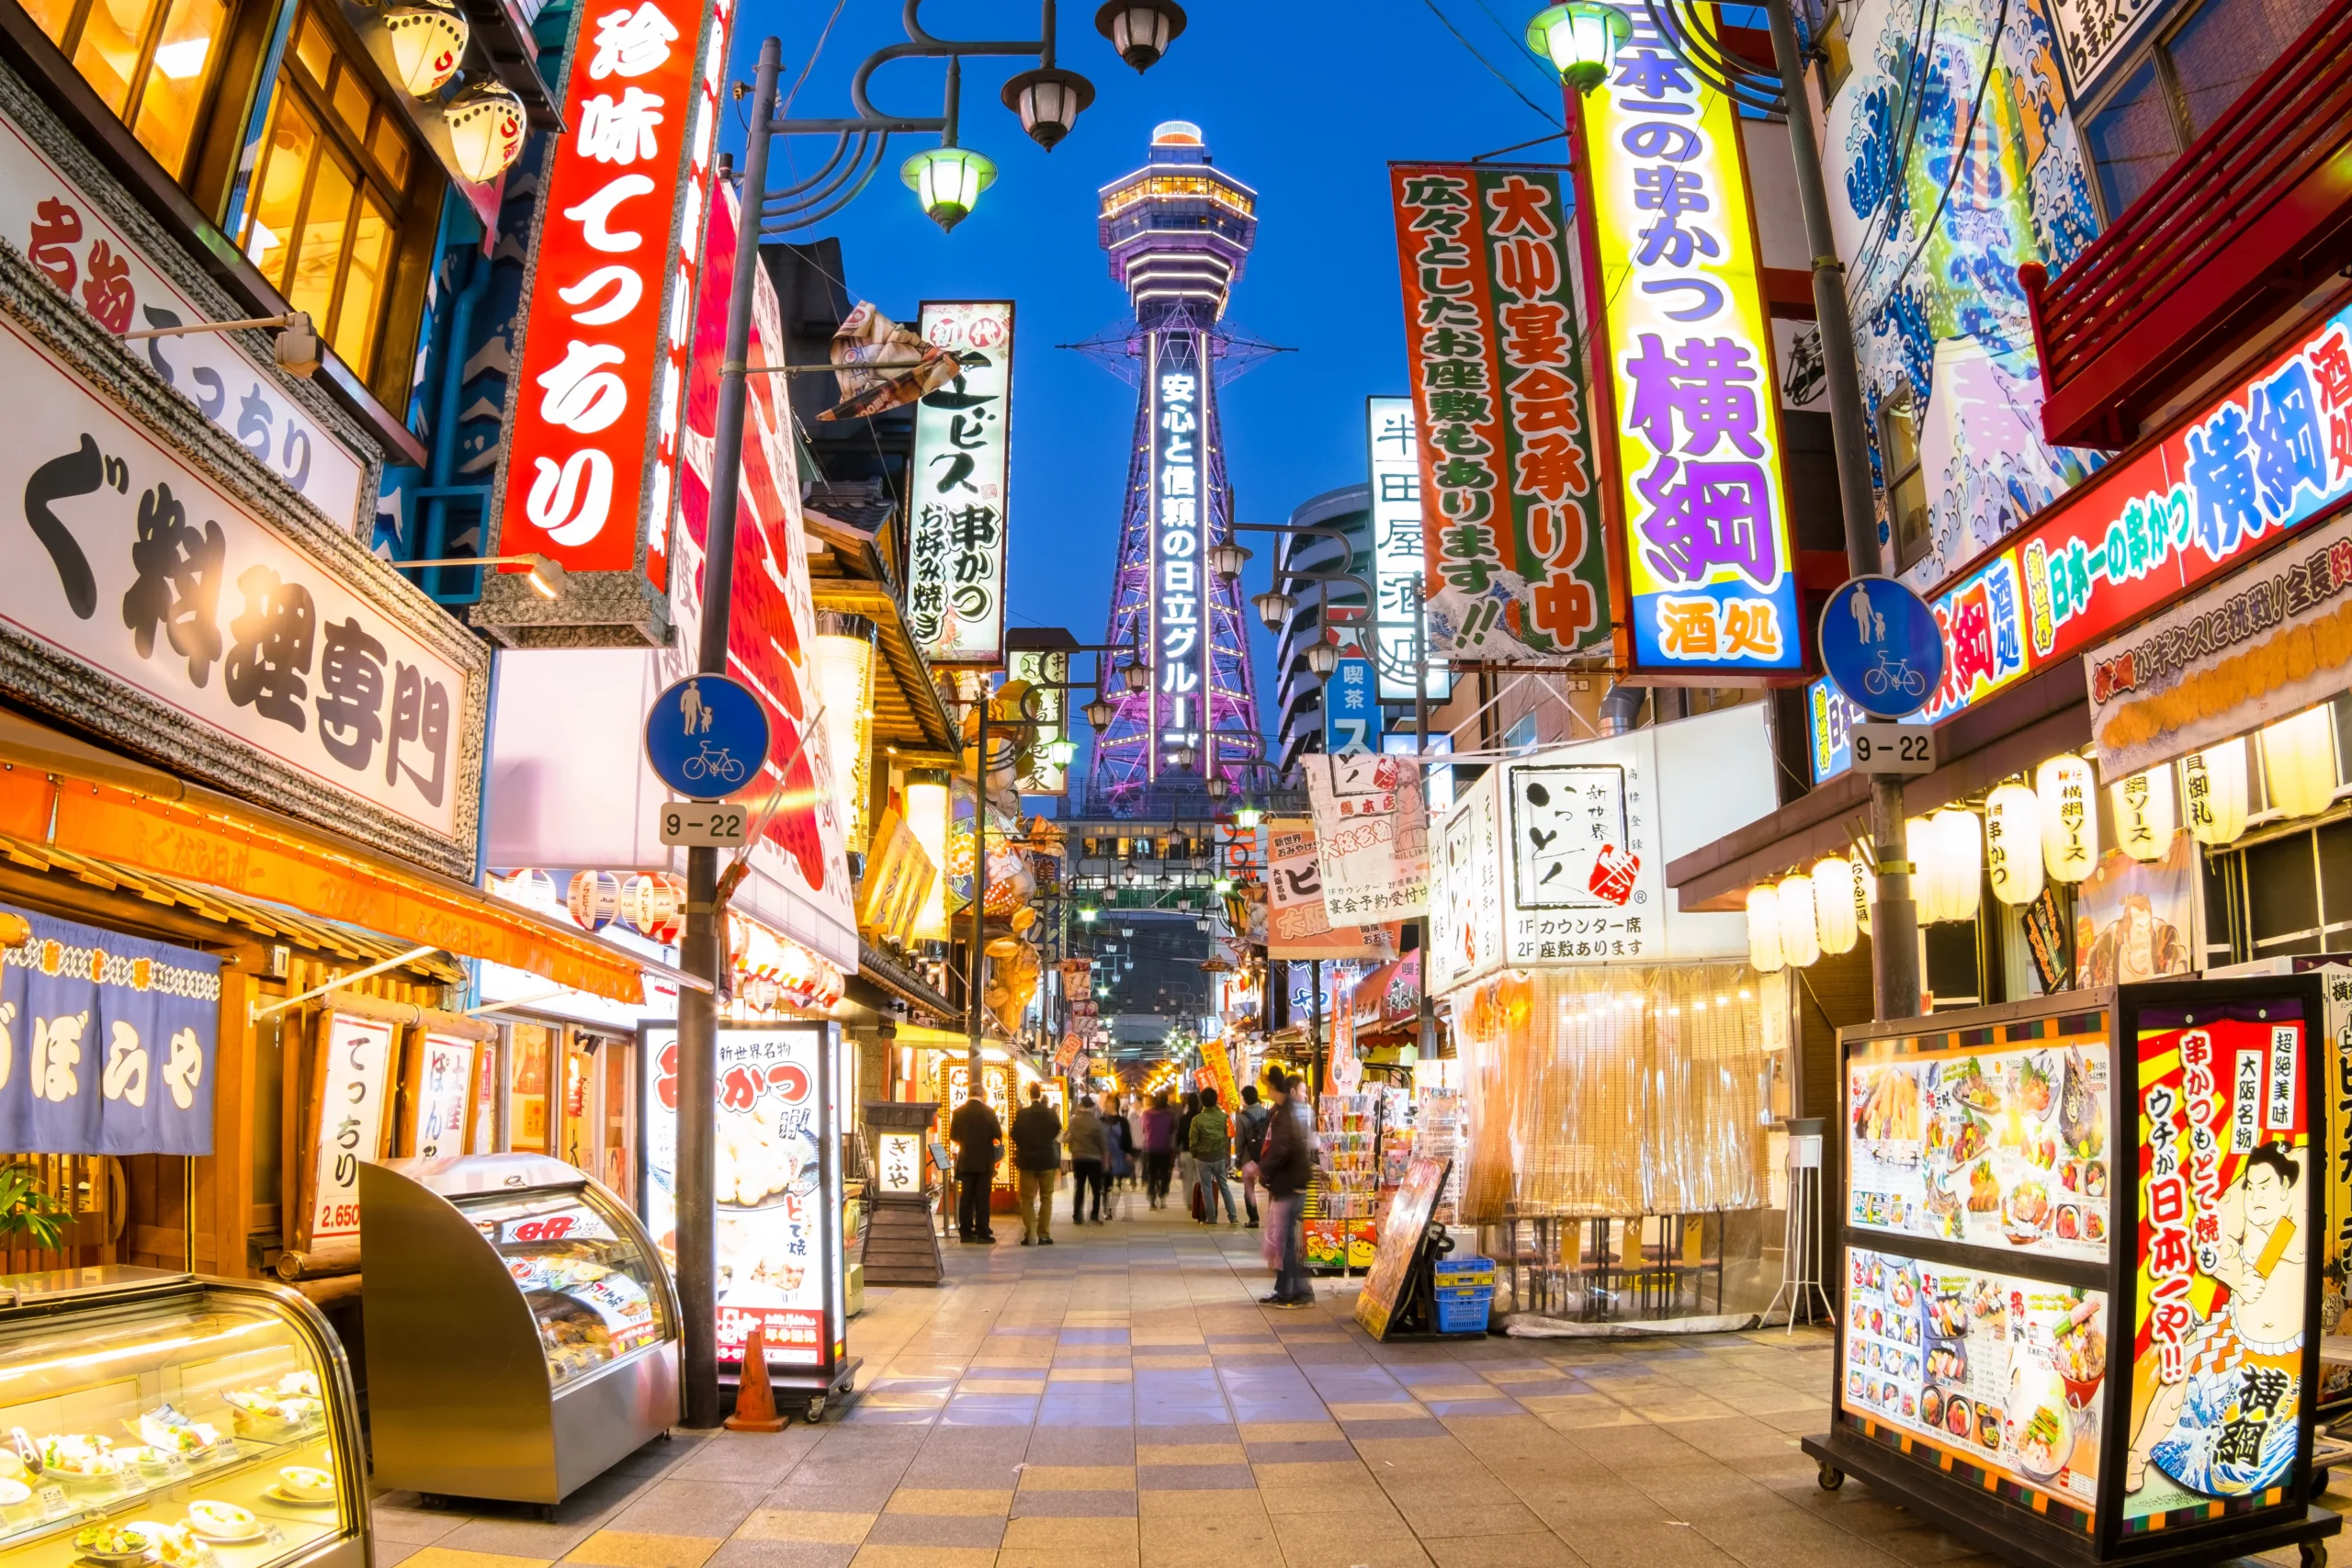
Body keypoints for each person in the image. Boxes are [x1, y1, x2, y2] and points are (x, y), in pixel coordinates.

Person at [2125, 1141, 2308, 1500]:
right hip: (2236, 1329)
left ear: (2284, 1186)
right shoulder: (2256, 1179)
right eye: (2252, 1186)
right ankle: (2136, 1457)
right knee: (2179, 1368)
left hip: (2289, 1348)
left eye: (2265, 1187)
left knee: (2250, 1444)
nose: (2256, 1194)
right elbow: (2213, 1233)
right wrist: (2237, 1275)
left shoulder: (2304, 1186)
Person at [1258, 1070, 1315, 1307]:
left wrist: (1263, 1169)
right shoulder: (1295, 1110)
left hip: (1289, 1182)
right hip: (1297, 1181)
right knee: (1286, 1240)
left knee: (1286, 1242)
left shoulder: (1286, 1113)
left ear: (1273, 1088)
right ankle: (1288, 1290)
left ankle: (1298, 1294)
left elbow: (1280, 1150)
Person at [1010, 1084, 1064, 1246]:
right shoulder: (1050, 1113)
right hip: (1047, 1159)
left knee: (1027, 1198)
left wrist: (1025, 1144)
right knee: (1046, 1197)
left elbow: (1014, 1135)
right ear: (1040, 1094)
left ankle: (1029, 1233)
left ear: (1028, 1094)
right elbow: (1057, 1129)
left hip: (1027, 1161)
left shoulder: (1022, 1114)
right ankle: (1044, 1234)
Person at [946, 1088, 1001, 1243]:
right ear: (982, 1095)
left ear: (968, 1093)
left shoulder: (958, 1112)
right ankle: (982, 1232)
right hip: (984, 1162)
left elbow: (954, 1136)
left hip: (966, 1160)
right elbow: (997, 1133)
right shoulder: (988, 1112)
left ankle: (965, 1232)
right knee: (983, 1198)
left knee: (966, 1197)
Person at [1189, 1086, 1239, 1225]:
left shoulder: (1197, 1119)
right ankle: (1233, 1216)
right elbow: (1225, 1136)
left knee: (1206, 1187)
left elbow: (1193, 1140)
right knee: (1224, 1186)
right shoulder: (1223, 1117)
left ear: (1202, 1101)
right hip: (1219, 1157)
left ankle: (1212, 1218)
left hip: (1203, 1158)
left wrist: (1194, 1153)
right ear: (1216, 1100)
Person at [1234, 1083, 1272, 1229]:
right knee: (1270, 1187)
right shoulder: (1267, 1113)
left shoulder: (1242, 1116)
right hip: (1267, 1157)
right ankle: (1272, 1217)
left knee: (1249, 1189)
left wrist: (1237, 1159)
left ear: (1244, 1099)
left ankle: (1254, 1218)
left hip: (1249, 1157)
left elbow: (1239, 1140)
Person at [1067, 1095, 1108, 1225]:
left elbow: (1070, 1137)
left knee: (1079, 1187)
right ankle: (1094, 1215)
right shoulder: (1096, 1123)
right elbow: (1102, 1143)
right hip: (1094, 1160)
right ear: (1092, 1106)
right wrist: (1105, 1157)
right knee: (1096, 1189)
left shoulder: (1073, 1121)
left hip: (1078, 1158)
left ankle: (1077, 1215)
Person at [1140, 1091, 1176, 1208]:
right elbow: (1172, 1131)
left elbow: (1144, 1129)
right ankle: (1162, 1196)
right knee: (1165, 1174)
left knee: (1152, 1175)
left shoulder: (1147, 1114)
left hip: (1151, 1148)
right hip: (1165, 1148)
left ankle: (1152, 1199)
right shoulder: (1170, 1115)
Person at [1176, 1090, 1202, 1220]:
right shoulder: (1201, 1118)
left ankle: (1189, 1203)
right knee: (1200, 1178)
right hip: (1200, 1153)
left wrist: (1176, 1150)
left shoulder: (1183, 1119)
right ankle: (1200, 1201)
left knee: (1187, 1179)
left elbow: (1179, 1136)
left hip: (1186, 1151)